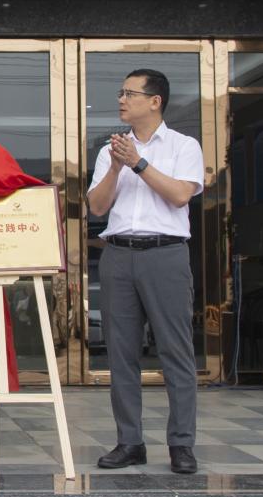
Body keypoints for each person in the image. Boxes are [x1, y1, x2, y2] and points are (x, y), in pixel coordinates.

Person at [86, 68, 203, 475]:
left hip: (165, 254)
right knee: (121, 354)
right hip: (118, 255)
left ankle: (181, 444)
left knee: (175, 351)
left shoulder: (184, 145)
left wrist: (138, 163)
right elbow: (97, 207)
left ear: (155, 101)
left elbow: (180, 194)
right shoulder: (110, 151)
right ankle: (129, 442)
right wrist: (117, 167)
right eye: (121, 93)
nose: (121, 100)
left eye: (130, 93)